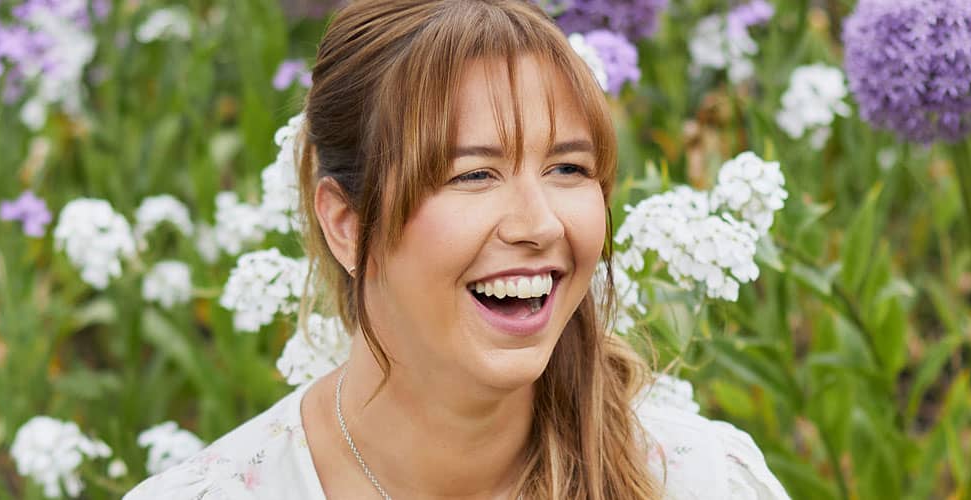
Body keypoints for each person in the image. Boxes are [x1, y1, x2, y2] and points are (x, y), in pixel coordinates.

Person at [128, 0, 788, 497]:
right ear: (347, 224)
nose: (539, 224)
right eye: (474, 174)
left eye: (567, 168)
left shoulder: (703, 480)